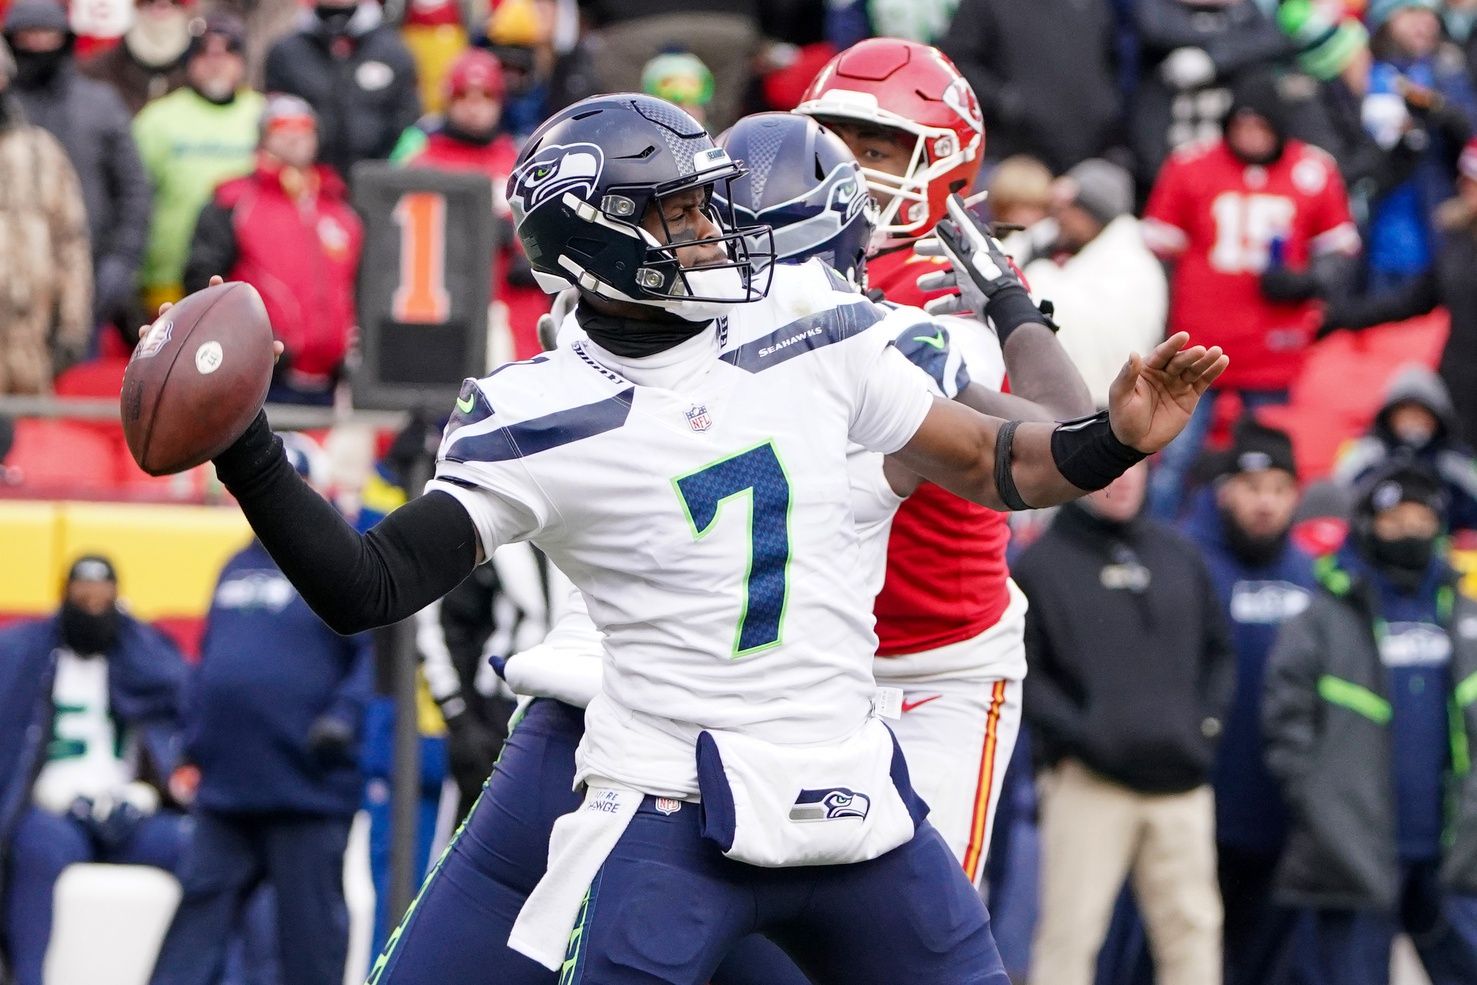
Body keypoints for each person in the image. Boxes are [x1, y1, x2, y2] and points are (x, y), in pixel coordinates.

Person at [176, 91, 1223, 983]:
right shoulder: (540, 411)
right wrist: (250, 454)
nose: (717, 234)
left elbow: (1006, 465)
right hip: (668, 802)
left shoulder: (811, 328)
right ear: (594, 238)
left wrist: (1113, 440)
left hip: (851, 790)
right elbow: (371, 583)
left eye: (710, 207)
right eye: (680, 215)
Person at [797, 38, 1093, 887]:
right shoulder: (772, 268)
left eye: (875, 144)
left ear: (939, 162)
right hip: (804, 659)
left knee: (913, 930)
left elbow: (1058, 429)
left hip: (932, 661)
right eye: (833, 135)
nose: (844, 163)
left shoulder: (935, 286)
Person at [149, 436, 374, 985]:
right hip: (228, 792)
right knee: (192, 936)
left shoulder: (339, 562)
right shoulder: (232, 566)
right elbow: (210, 663)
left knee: (310, 945)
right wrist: (193, 735)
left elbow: (372, 659)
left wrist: (343, 717)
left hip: (305, 791)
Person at [1015, 460, 1234, 985]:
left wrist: (1202, 728)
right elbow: (1022, 671)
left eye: (1134, 465)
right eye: (1106, 466)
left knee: (1193, 937)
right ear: (1075, 473)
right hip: (1087, 784)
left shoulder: (1180, 554)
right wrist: (1084, 734)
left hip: (1181, 783)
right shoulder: (1040, 564)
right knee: (1069, 940)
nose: (1121, 479)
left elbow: (1219, 653)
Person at [1264, 461, 1477, 984]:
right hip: (1353, 858)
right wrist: (1322, 808)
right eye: (1394, 519)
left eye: (1421, 518)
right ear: (1368, 526)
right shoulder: (1323, 616)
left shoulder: (1465, 613)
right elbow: (1286, 726)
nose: (1409, 531)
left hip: (1454, 858)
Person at [1142, 70, 1360, 519]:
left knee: (1267, 461)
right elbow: (1156, 253)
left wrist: (1308, 281)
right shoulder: (1191, 166)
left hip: (1273, 347)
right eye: (1242, 126)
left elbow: (1340, 251)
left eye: (1261, 127)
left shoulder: (1313, 170)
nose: (1251, 136)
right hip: (1198, 344)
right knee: (1174, 457)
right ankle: (1155, 533)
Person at [0, 556, 191, 985]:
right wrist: (52, 796)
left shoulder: (141, 658)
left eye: (103, 598)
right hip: (55, 812)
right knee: (33, 853)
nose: (92, 606)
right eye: (81, 597)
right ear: (63, 597)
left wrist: (141, 795)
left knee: (202, 852)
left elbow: (178, 711)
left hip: (126, 810)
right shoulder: (26, 655)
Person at [1181, 419, 1317, 985]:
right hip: (1199, 803)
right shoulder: (1188, 561)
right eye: (1255, 488)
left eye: (1280, 491)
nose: (1266, 504)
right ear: (1226, 490)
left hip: (1282, 809)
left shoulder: (1310, 574)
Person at [184, 93, 362, 406]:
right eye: (282, 127)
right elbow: (204, 284)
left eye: (304, 127)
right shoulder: (234, 201)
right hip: (261, 382)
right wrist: (252, 344)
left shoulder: (339, 207)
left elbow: (359, 286)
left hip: (332, 384)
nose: (294, 136)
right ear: (263, 137)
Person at [391, 47, 550, 361]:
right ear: (450, 99)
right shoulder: (423, 163)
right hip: (445, 311)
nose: (475, 108)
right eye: (465, 96)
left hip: (512, 309)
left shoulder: (522, 162)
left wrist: (527, 253)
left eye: (486, 96)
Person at [3, 0, 149, 339]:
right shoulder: (4, 109)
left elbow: (134, 190)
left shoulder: (100, 104)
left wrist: (121, 261)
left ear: (65, 40)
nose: (37, 45)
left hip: (84, 284)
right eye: (27, 36)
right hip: (10, 291)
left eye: (47, 35)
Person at [1322, 135, 1477, 443]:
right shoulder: (1459, 245)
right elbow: (1409, 301)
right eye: (1466, 178)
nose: (1465, 186)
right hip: (1460, 389)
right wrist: (1333, 317)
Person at [132, 13, 264, 315]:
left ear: (242, 61)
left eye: (228, 51)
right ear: (189, 61)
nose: (216, 62)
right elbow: (133, 200)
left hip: (247, 281)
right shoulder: (156, 119)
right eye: (204, 52)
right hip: (168, 281)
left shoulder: (263, 114)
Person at [1017, 158, 1168, 408]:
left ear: (1092, 214)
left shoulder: (1130, 265)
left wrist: (1038, 274)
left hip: (1103, 407)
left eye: (1069, 209)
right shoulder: (1062, 250)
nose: (1060, 218)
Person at [1359, 0, 1477, 291]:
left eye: (1430, 13)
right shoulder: (1361, 69)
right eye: (1410, 11)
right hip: (1378, 232)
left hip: (1438, 228)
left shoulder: (1447, 70)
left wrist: (1439, 111)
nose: (1424, 22)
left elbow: (1471, 132)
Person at [0, 34, 91, 395]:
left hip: (32, 345)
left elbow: (71, 241)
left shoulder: (41, 151)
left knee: (32, 447)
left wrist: (72, 324)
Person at [939, 0, 1119, 174]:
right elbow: (957, 62)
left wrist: (1104, 113)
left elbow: (1110, 66)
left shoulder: (1094, 6)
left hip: (1081, 163)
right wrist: (1007, 103)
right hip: (1010, 161)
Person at [1130, 0, 1292, 189]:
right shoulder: (1156, 9)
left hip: (1231, 168)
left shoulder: (1247, 10)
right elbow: (1157, 30)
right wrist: (1232, 39)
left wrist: (1215, 60)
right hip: (1166, 156)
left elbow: (1274, 40)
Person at [263, 0, 419, 179]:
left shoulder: (392, 49)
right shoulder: (286, 52)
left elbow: (407, 119)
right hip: (309, 183)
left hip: (377, 180)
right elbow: (275, 120)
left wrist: (383, 173)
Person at [579, 0, 758, 131]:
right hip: (727, 24)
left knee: (634, 120)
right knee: (718, 122)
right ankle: (714, 158)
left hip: (630, 28)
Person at [80, 0, 194, 114]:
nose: (161, 5)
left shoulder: (198, 66)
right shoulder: (102, 68)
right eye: (150, 1)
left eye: (173, 2)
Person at [641, 50, 713, 125]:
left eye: (690, 100)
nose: (683, 110)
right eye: (672, 100)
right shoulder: (636, 133)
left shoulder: (721, 136)